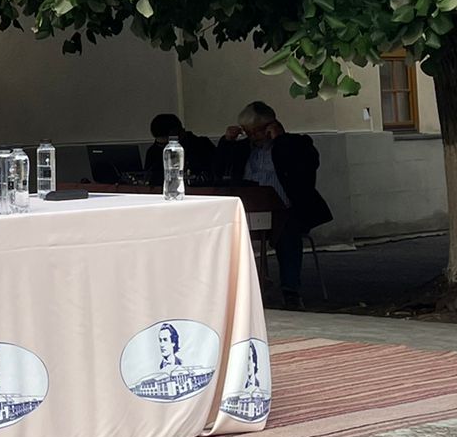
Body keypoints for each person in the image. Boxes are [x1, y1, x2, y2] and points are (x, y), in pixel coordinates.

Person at [213, 101, 333, 308]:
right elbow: (217, 168)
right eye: (247, 132)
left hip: (285, 209)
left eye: (256, 131)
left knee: (288, 234)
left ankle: (290, 291)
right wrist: (226, 142)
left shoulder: (297, 144)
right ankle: (240, 288)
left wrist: (281, 140)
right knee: (224, 231)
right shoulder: (242, 148)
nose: (252, 137)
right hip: (250, 208)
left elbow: (306, 168)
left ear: (271, 126)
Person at [143, 114, 218, 186]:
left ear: (179, 133)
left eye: (167, 144)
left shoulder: (202, 146)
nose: (165, 148)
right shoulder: (154, 151)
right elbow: (149, 179)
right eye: (159, 144)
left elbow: (215, 176)